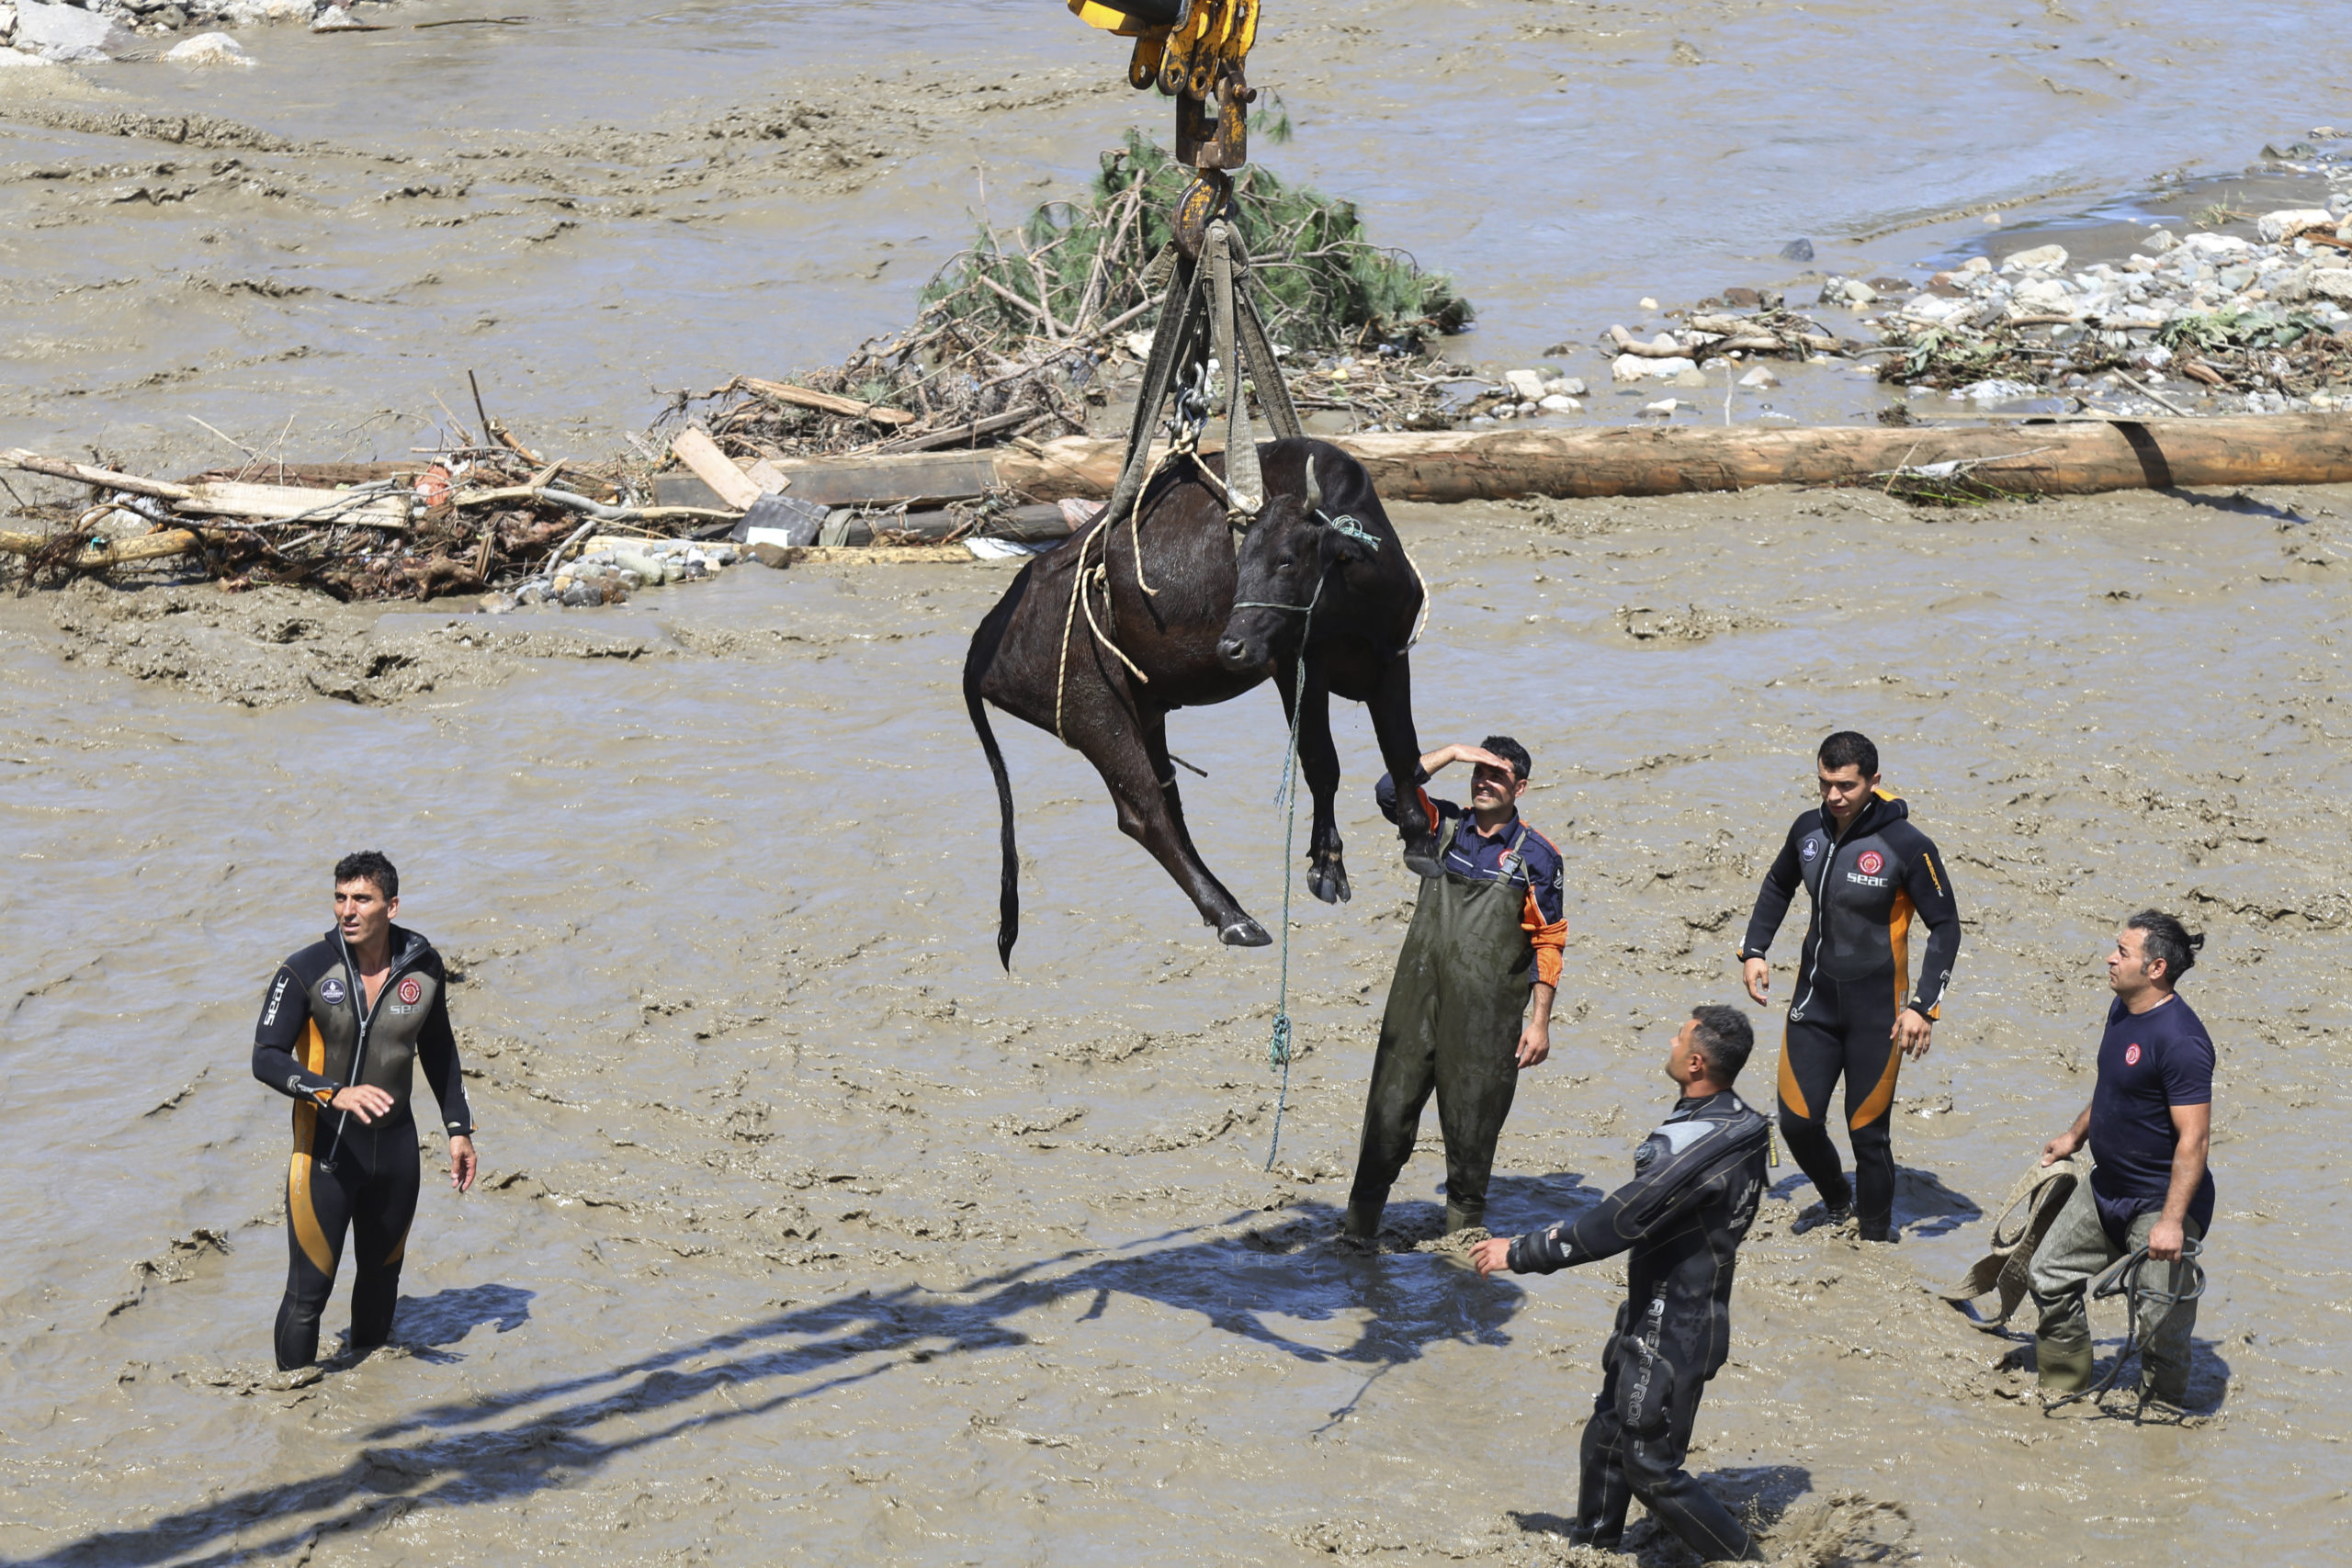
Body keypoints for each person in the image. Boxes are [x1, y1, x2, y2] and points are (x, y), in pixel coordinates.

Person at [1473, 1006, 1770, 1562]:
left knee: (1652, 1470)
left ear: (1696, 1062)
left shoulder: (1685, 1151)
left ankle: (1744, 1560)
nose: (1672, 1041)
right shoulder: (1742, 1124)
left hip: (1675, 1325)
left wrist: (1519, 1251)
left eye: (1679, 1036)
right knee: (1607, 1437)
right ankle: (1593, 1550)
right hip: (1666, 1312)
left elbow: (1614, 1223)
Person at [252, 851, 477, 1370]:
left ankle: (370, 1389)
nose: (346, 911)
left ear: (391, 906)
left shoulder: (424, 965)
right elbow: (264, 1058)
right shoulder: (305, 969)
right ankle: (295, 1411)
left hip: (396, 1154)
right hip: (325, 1152)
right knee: (309, 1294)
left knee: (381, 1281)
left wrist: (459, 1129)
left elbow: (439, 1048)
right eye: (339, 897)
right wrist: (333, 1092)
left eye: (361, 899)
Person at [1736, 730, 1960, 1241]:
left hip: (1879, 1013)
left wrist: (1923, 1008)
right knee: (1796, 1122)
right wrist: (1754, 950)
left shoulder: (1907, 846)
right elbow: (1777, 884)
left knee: (1867, 1133)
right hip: (1814, 1001)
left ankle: (1877, 1239)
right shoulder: (1807, 830)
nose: (1833, 796)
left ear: (1874, 781)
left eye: (1846, 786)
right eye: (1824, 784)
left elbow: (1946, 926)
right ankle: (1838, 1200)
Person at [1342, 737, 1567, 1239]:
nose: (1485, 781)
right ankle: (1355, 1238)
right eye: (1479, 772)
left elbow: (1549, 943)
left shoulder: (1537, 857)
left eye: (1498, 775)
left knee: (1471, 1136)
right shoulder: (1439, 825)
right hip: (1415, 1002)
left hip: (1486, 1020)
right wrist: (1452, 753)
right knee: (1386, 1117)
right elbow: (1387, 791)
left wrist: (1539, 1022)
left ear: (1521, 788)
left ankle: (1459, 1262)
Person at [2030, 910, 2214, 1405]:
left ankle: (2163, 1422)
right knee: (2046, 1274)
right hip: (2106, 1187)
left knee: (2158, 1321)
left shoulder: (2183, 1041)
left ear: (2155, 969)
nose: (2110, 958)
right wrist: (2074, 1136)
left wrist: (2173, 1222)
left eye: (2123, 952)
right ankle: (2064, 1387)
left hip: (2160, 1203)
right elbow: (2114, 1088)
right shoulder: (2121, 1009)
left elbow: (2194, 1141)